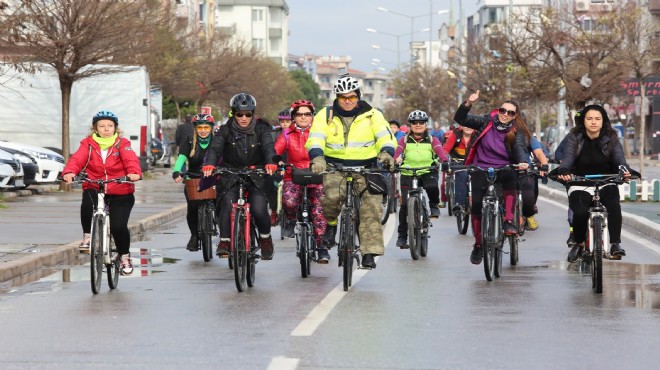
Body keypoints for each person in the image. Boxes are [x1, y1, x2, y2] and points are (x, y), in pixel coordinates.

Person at [306, 73, 396, 269]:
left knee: (371, 208)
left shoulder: (373, 114)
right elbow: (315, 137)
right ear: (336, 98)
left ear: (358, 96)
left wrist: (387, 153)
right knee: (329, 199)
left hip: (366, 168)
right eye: (343, 97)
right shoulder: (325, 114)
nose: (347, 101)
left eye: (352, 97)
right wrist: (318, 157)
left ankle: (369, 253)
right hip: (334, 167)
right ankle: (331, 225)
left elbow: (385, 137)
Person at [453, 90, 531, 265]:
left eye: (510, 113)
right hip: (480, 167)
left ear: (514, 116)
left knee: (511, 179)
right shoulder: (486, 121)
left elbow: (519, 148)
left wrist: (523, 162)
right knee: (477, 206)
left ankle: (509, 221)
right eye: (503, 110)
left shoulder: (516, 131)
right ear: (499, 110)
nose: (505, 115)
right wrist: (468, 104)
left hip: (504, 168)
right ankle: (479, 244)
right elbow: (461, 119)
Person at [551, 104, 636, 262]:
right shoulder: (574, 137)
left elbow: (619, 159)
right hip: (580, 183)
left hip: (606, 181)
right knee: (580, 213)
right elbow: (568, 158)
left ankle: (615, 244)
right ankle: (578, 243)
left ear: (603, 121)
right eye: (589, 118)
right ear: (583, 121)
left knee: (614, 207)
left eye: (597, 118)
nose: (593, 122)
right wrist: (564, 171)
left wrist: (624, 170)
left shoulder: (611, 138)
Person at [62, 110, 142, 275]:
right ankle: (88, 237)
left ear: (115, 128)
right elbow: (77, 159)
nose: (106, 129)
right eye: (102, 125)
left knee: (118, 227)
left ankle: (124, 256)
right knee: (87, 204)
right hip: (94, 185)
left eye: (110, 125)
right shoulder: (88, 144)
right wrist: (69, 172)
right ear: (95, 128)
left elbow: (131, 160)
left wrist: (134, 173)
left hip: (120, 189)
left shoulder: (122, 144)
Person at [201, 93, 278, 260]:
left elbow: (268, 147)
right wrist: (210, 164)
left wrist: (271, 163)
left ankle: (265, 239)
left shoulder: (262, 129)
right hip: (231, 174)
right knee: (226, 205)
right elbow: (215, 149)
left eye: (248, 114)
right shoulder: (225, 130)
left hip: (257, 174)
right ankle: (225, 242)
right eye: (239, 114)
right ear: (234, 114)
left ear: (253, 114)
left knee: (258, 209)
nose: (244, 118)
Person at [274, 100, 329, 262]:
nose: (303, 117)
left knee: (319, 212)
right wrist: (275, 161)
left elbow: (331, 149)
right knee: (289, 202)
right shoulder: (287, 133)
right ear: (293, 117)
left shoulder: (320, 132)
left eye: (307, 114)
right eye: (299, 114)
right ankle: (291, 220)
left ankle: (321, 247)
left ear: (313, 116)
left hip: (317, 176)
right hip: (293, 175)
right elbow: (276, 150)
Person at [393, 110, 449, 248]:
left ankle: (434, 205)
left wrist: (444, 160)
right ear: (410, 125)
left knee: (431, 187)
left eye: (421, 122)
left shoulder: (432, 139)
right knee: (405, 205)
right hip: (408, 171)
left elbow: (440, 151)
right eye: (414, 123)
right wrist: (396, 160)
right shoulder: (404, 139)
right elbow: (397, 153)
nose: (418, 125)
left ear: (425, 124)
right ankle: (402, 236)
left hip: (427, 170)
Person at [172, 113, 217, 251]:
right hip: (194, 177)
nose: (203, 130)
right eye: (200, 127)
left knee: (222, 205)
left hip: (214, 177)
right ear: (195, 128)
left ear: (211, 128)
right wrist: (176, 171)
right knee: (192, 208)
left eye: (206, 127)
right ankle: (194, 237)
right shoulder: (189, 140)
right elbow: (181, 158)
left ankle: (225, 237)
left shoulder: (217, 141)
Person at [442, 124, 479, 214]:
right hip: (458, 162)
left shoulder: (478, 135)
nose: (468, 127)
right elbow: (445, 149)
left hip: (474, 162)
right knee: (461, 175)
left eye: (470, 124)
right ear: (461, 127)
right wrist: (445, 159)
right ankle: (459, 203)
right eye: (465, 125)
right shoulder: (456, 134)